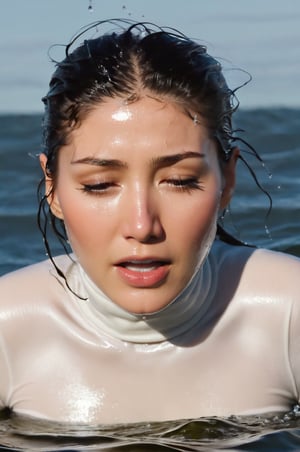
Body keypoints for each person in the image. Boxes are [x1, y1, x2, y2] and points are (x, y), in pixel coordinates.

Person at [0, 19, 300, 425]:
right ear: (52, 188)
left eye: (179, 181)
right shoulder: (7, 332)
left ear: (227, 181)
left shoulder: (288, 315)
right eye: (101, 184)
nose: (142, 226)